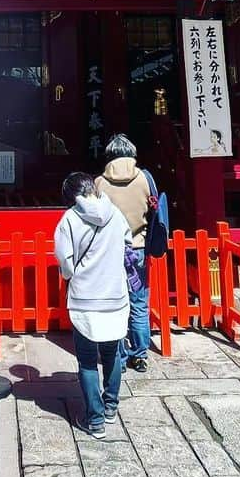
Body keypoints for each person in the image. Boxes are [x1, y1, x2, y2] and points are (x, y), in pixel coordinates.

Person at [53, 172, 129, 440]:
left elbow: (65, 260)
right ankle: (110, 407)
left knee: (87, 362)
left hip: (85, 299)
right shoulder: (115, 213)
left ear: (70, 197)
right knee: (112, 355)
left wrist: (70, 275)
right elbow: (128, 241)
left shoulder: (70, 220)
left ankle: (95, 420)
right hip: (115, 296)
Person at [95, 133, 155, 373]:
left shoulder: (99, 182)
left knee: (114, 306)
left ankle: (118, 356)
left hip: (110, 251)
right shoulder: (145, 178)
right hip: (137, 248)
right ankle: (140, 355)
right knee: (139, 304)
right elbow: (154, 208)